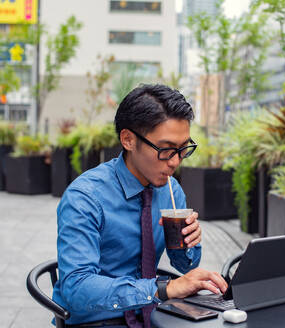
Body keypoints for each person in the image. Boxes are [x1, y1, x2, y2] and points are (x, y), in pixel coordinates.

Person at [52, 84, 228, 328]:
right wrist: (162, 289)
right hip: (98, 321)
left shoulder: (171, 190)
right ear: (128, 140)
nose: (176, 161)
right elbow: (77, 288)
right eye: (166, 149)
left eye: (183, 149)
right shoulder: (85, 197)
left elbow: (184, 265)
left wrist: (188, 244)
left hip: (155, 315)